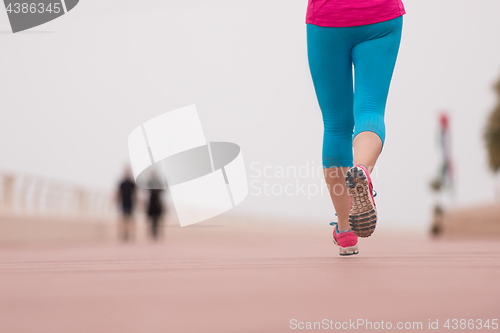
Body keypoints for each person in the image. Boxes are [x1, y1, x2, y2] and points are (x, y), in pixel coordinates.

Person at [306, 0, 405, 255]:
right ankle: (361, 168)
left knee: (336, 125)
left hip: (327, 18)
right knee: (370, 110)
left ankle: (345, 230)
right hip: (380, 16)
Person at [116, 166, 137, 241]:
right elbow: (119, 193)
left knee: (131, 219)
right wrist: (116, 200)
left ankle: (132, 234)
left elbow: (135, 193)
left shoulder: (132, 183)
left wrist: (137, 201)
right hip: (124, 203)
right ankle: (125, 233)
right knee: (124, 219)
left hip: (130, 203)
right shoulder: (122, 183)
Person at [146, 172, 166, 240]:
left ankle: (157, 234)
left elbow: (163, 190)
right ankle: (152, 234)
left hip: (157, 204)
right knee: (151, 220)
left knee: (158, 220)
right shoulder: (150, 183)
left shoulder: (158, 184)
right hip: (151, 204)